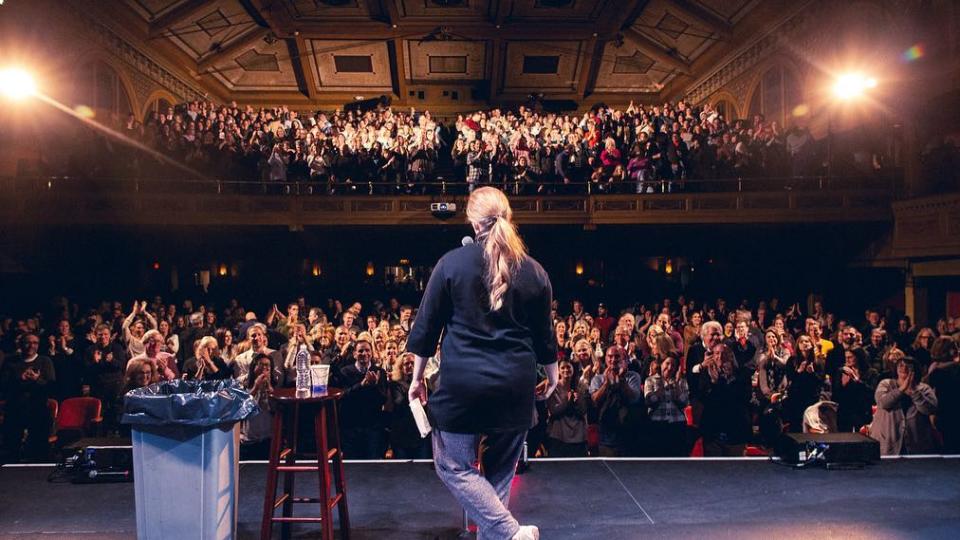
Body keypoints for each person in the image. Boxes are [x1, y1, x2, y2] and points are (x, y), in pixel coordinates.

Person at [406, 187, 557, 540]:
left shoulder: (450, 264)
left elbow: (426, 328)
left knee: (452, 466)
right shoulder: (535, 272)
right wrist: (551, 378)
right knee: (500, 475)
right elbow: (545, 336)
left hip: (463, 387)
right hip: (515, 386)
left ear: (473, 222)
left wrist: (416, 379)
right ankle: (505, 534)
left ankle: (508, 532)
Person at [1, 334, 56, 462]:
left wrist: (37, 380)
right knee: (11, 448)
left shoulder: (45, 361)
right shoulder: (11, 362)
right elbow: (3, 386)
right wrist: (21, 378)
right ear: (21, 344)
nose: (31, 346)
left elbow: (51, 387)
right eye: (28, 342)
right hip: (15, 410)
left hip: (37, 409)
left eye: (35, 343)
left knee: (39, 449)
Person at [872, 356, 937, 455]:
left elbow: (929, 409)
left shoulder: (924, 388)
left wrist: (914, 391)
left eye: (908, 366)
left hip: (916, 444)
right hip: (889, 442)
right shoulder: (885, 384)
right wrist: (901, 389)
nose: (904, 368)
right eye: (900, 365)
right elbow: (883, 403)